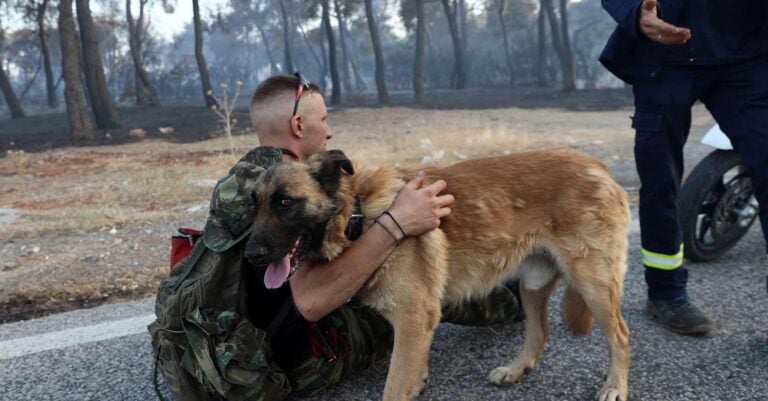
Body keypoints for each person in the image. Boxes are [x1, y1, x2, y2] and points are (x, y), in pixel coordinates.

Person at [201, 73, 522, 398]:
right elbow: (312, 301)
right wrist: (397, 222)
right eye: (323, 120)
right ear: (298, 125)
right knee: (415, 294)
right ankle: (513, 294)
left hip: (245, 337)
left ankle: (514, 282)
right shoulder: (278, 189)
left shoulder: (247, 179)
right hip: (290, 355)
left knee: (415, 276)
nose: (329, 131)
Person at [600, 0, 768, 334]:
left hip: (747, 54)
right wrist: (635, 11)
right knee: (660, 179)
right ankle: (666, 293)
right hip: (663, 55)